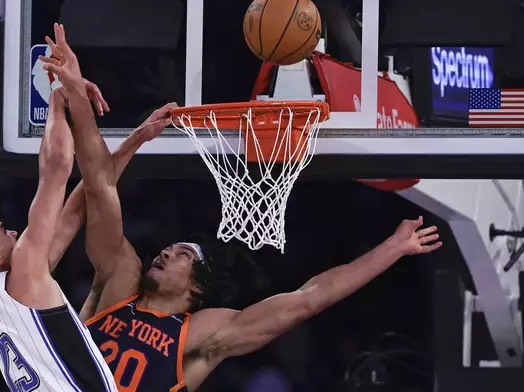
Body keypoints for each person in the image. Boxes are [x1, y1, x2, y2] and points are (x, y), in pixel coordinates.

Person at [40, 24, 443, 392]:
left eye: (182, 255)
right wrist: (76, 94)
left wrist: (393, 247)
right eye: (171, 249)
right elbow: (99, 188)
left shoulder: (202, 336)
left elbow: (309, 299)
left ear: (196, 286)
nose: (165, 251)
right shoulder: (118, 283)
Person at [0, 76, 174, 391]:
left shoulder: (5, 297)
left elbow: (78, 209)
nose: (13, 231)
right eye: (2, 232)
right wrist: (57, 101)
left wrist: (138, 138)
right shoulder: (23, 273)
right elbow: (58, 164)